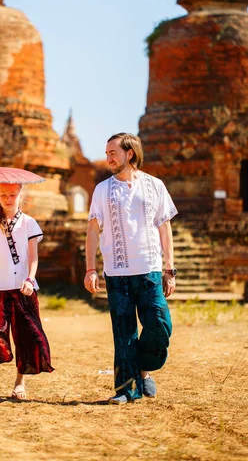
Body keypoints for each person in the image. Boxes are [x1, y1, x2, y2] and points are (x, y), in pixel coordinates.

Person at [84, 133, 177, 404]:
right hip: (117, 272)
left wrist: (169, 269)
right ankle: (126, 390)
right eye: (107, 153)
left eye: (113, 152)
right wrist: (91, 269)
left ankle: (144, 370)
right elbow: (92, 231)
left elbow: (164, 227)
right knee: (123, 332)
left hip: (149, 269)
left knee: (160, 324)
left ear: (130, 154)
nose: (108, 158)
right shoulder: (102, 190)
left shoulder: (155, 185)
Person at [0, 182, 53, 401]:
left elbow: (33, 257)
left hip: (23, 287)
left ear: (21, 196)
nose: (8, 198)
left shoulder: (29, 223)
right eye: (3, 194)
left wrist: (30, 278)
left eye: (12, 194)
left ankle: (19, 383)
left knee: (24, 335)